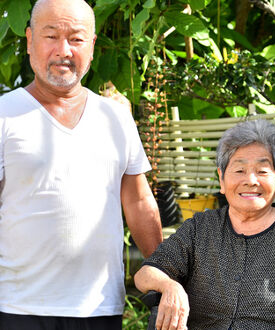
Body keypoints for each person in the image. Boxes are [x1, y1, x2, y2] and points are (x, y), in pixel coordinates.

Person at [0, 0, 162, 329]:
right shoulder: (5, 113)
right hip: (18, 306)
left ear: (92, 46)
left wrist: (166, 275)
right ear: (30, 41)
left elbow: (138, 201)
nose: (63, 50)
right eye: (51, 36)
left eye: (76, 39)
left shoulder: (116, 117)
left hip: (100, 306)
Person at [134, 119, 275, 330]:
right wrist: (169, 286)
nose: (251, 180)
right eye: (239, 171)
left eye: (262, 171)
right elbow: (146, 273)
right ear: (221, 179)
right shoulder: (200, 228)